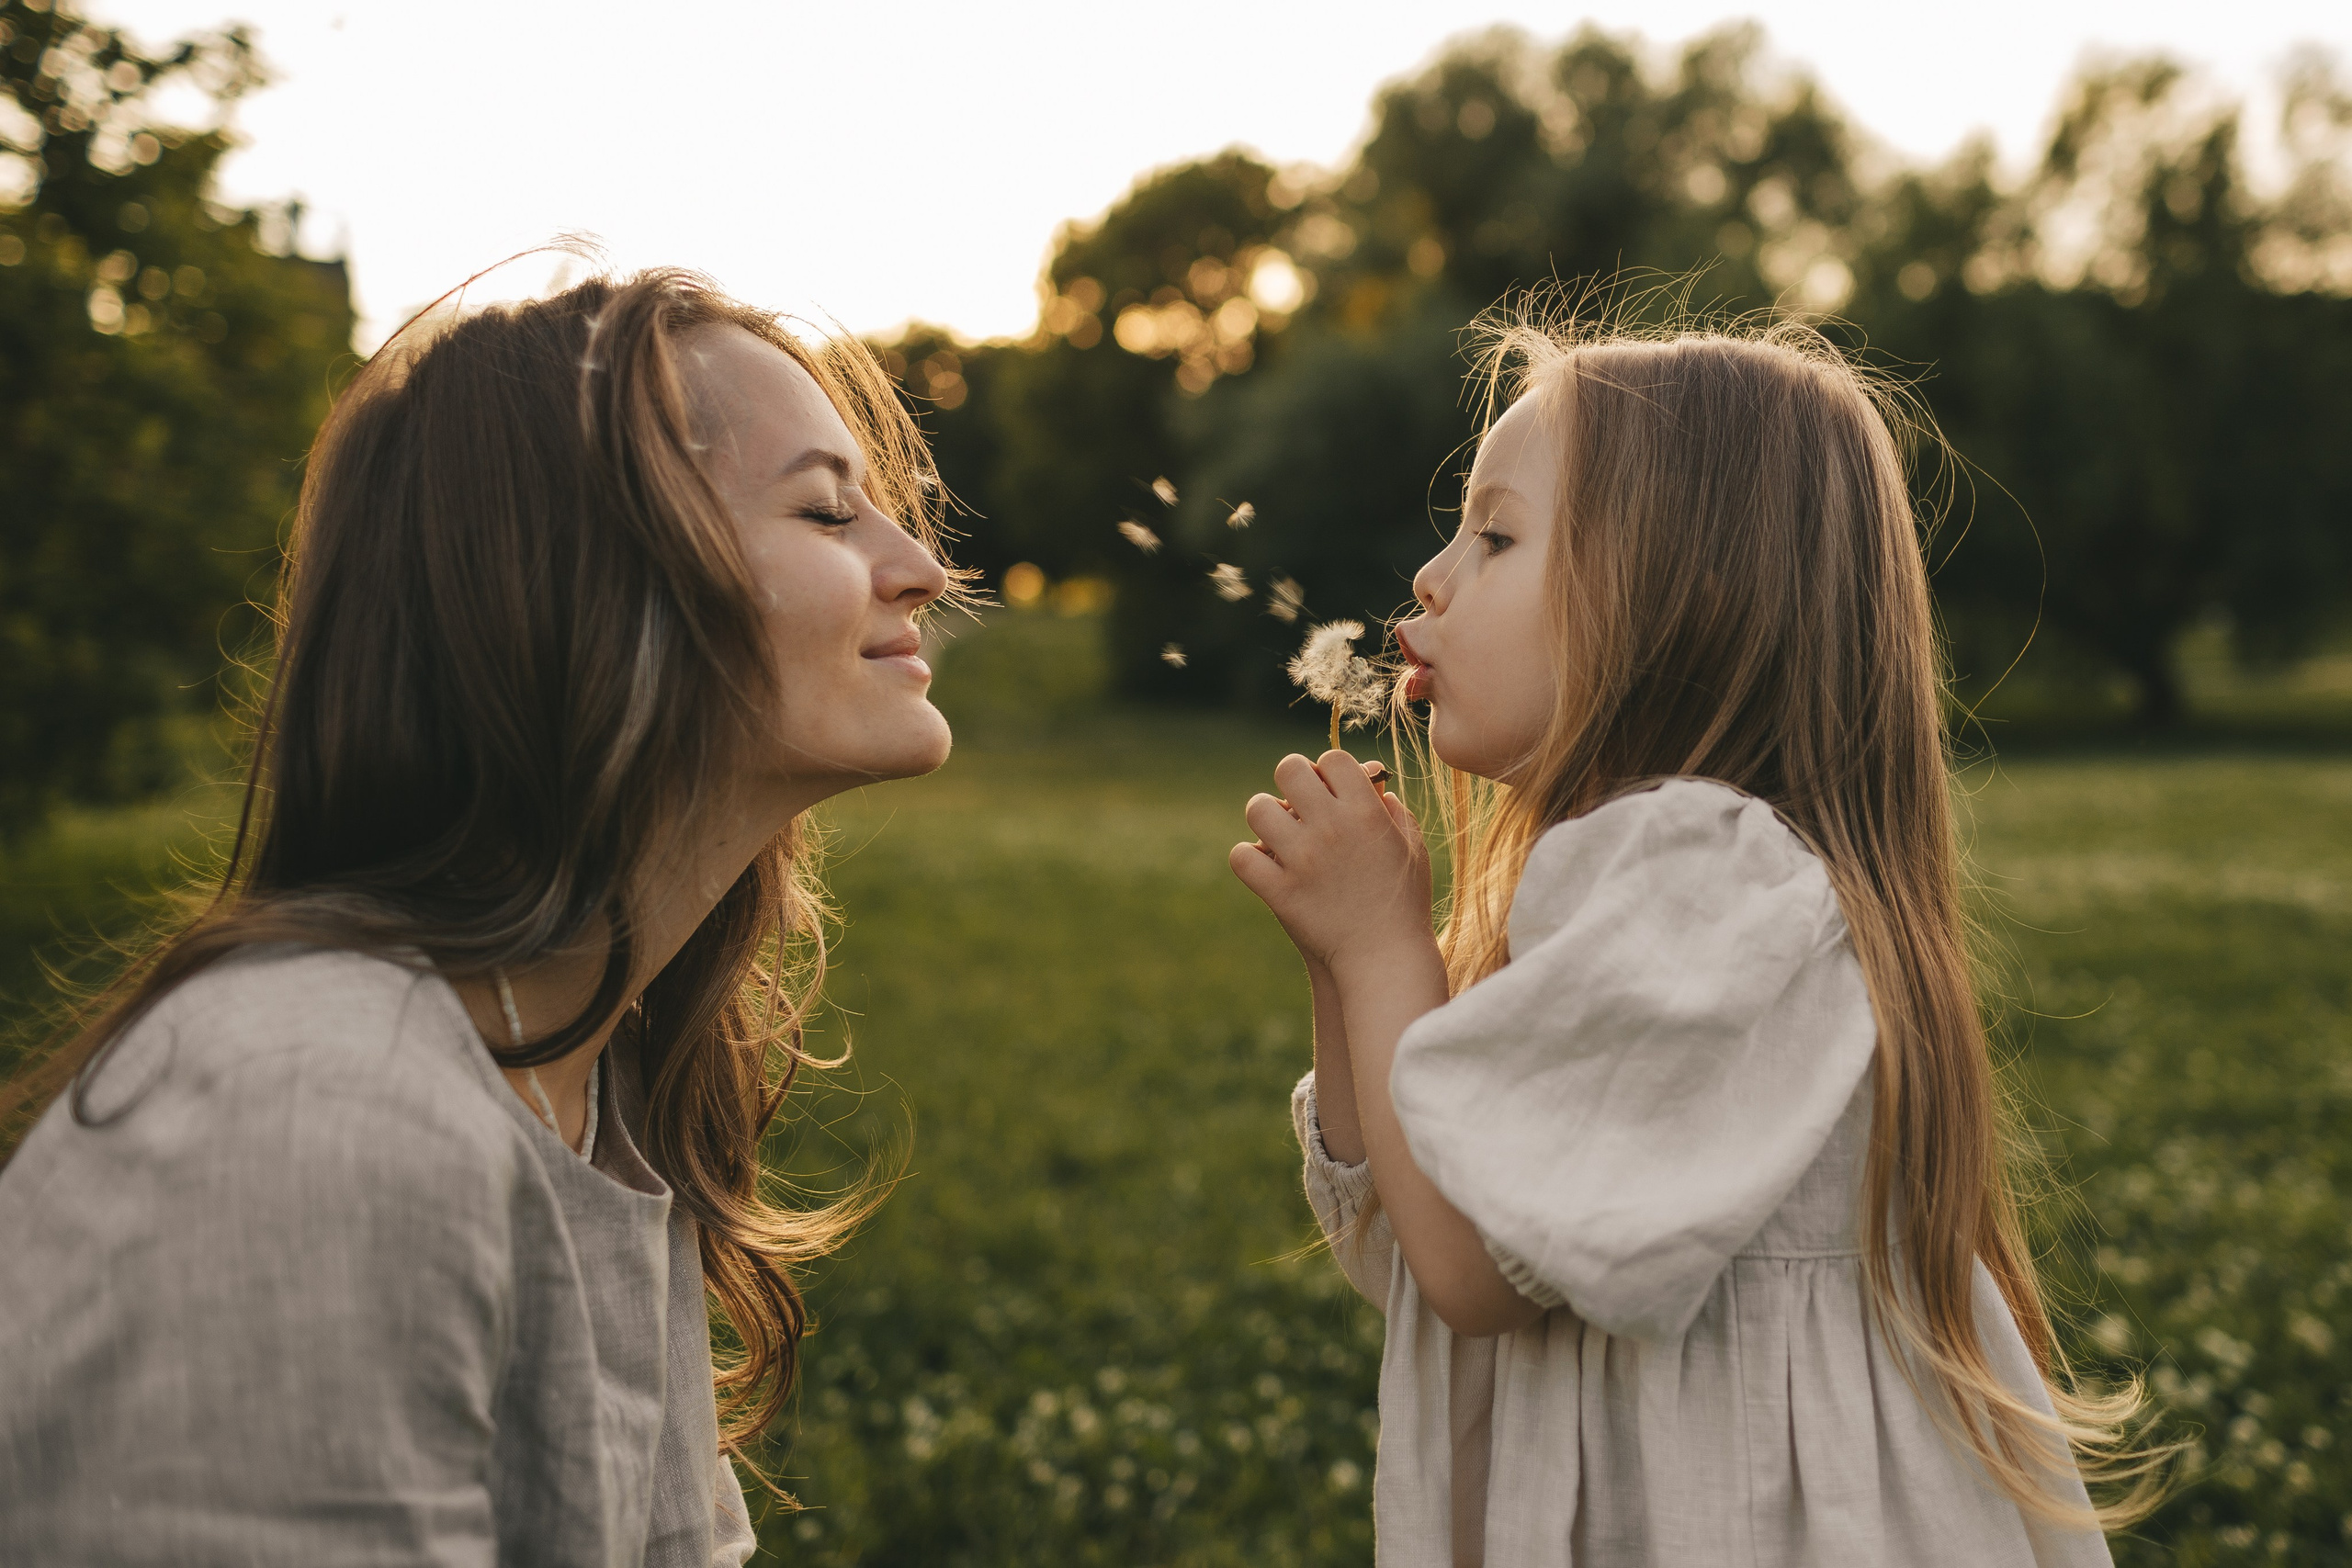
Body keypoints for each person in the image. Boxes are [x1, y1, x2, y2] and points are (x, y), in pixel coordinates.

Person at [0, 267, 960, 1564]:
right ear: (586, 582)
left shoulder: (590, 1090)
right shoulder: (314, 1113)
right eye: (826, 511)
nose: (920, 569)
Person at [1228, 308, 2158, 1564]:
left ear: (1683, 599)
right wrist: (1347, 971)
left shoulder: (1700, 879)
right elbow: (1408, 1239)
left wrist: (1382, 951)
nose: (1432, 580)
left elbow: (1468, 1268)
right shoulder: (1636, 886)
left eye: (1497, 536)